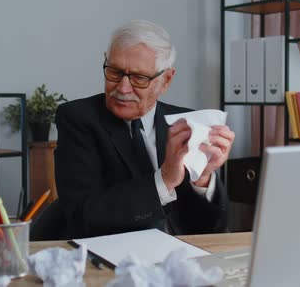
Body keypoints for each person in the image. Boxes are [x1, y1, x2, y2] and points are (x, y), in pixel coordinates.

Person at [54, 20, 235, 238]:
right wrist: (165, 179)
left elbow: (210, 230)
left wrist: (203, 178)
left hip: (181, 257)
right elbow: (83, 215)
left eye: (139, 78)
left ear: (166, 80)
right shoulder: (78, 118)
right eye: (115, 72)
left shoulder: (185, 124)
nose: (123, 88)